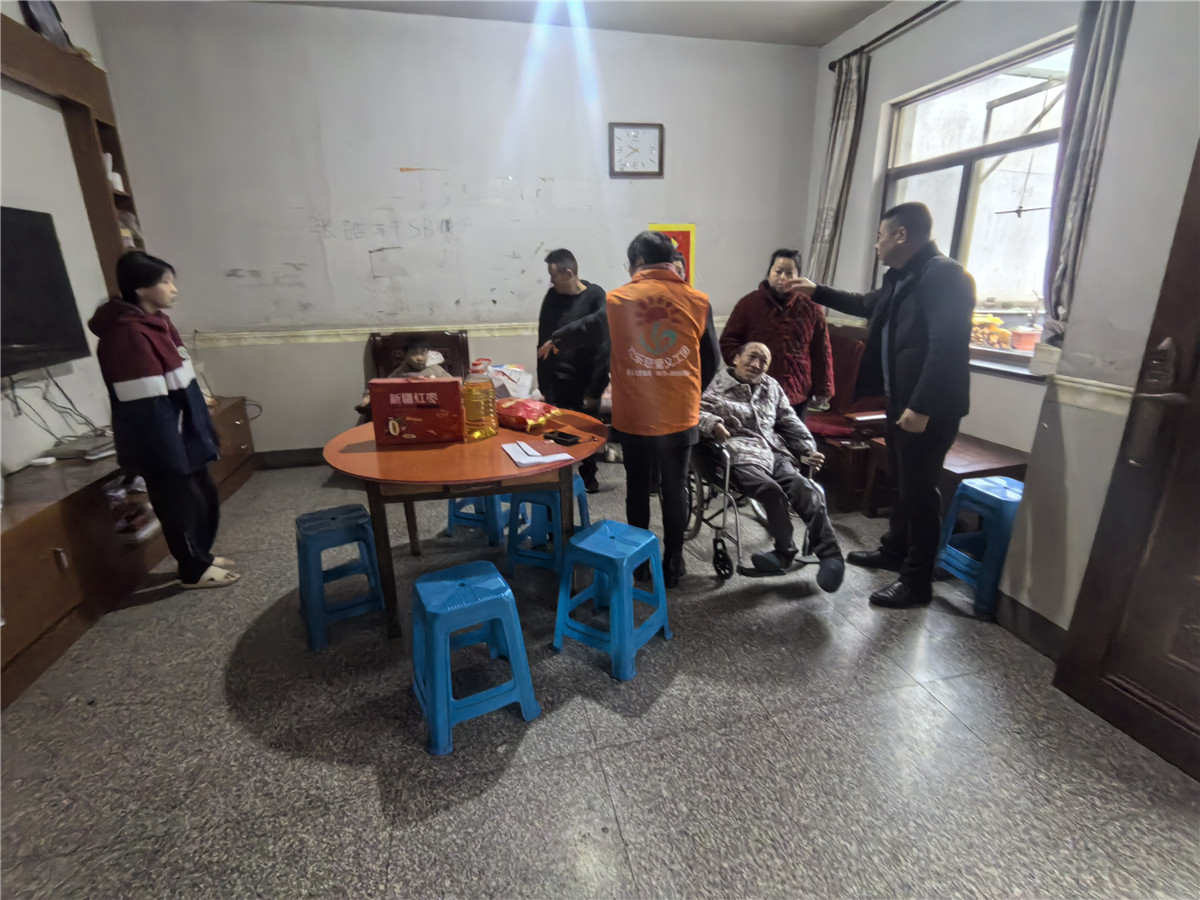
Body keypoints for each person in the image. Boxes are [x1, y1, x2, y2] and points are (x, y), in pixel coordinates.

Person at [791, 202, 974, 609]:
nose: (876, 244)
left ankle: (917, 582)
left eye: (880, 236)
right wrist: (816, 290)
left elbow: (947, 346)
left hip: (928, 408)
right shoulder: (903, 277)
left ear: (901, 235)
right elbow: (864, 303)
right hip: (900, 401)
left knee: (920, 492)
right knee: (901, 484)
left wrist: (921, 407)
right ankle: (893, 550)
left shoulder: (944, 275)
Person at [539, 231, 721, 587]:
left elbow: (589, 327)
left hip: (635, 415)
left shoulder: (619, 299)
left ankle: (639, 562)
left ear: (637, 262)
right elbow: (712, 360)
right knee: (676, 488)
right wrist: (685, 393)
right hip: (679, 416)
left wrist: (557, 339)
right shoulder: (698, 300)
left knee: (637, 487)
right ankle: (674, 562)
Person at [89, 251, 240, 589]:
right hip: (164, 441)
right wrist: (171, 452)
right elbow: (147, 406)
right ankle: (192, 570)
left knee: (201, 498)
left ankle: (200, 556)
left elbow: (181, 381)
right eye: (166, 282)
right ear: (141, 289)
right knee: (178, 504)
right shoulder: (127, 335)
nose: (174, 289)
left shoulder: (159, 324)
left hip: (185, 433)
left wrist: (202, 424)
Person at [699, 342, 845, 592]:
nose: (756, 364)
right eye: (751, 357)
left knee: (804, 488)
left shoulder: (771, 387)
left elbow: (789, 420)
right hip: (740, 454)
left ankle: (831, 555)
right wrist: (712, 423)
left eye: (763, 361)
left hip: (773, 451)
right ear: (736, 358)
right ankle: (784, 551)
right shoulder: (717, 385)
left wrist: (806, 449)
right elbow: (694, 412)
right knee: (770, 491)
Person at [720, 249, 833, 421]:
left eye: (789, 273)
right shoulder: (748, 304)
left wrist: (824, 388)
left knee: (794, 436)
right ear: (769, 272)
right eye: (778, 271)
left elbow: (822, 350)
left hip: (797, 393)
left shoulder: (811, 308)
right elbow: (729, 340)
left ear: (798, 276)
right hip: (755, 391)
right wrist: (745, 367)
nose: (782, 277)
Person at [535, 248, 609, 493]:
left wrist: (595, 389)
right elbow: (543, 341)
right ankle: (558, 479)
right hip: (558, 379)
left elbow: (604, 345)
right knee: (556, 432)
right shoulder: (552, 298)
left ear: (568, 273)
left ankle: (589, 475)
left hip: (586, 379)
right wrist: (544, 383)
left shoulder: (596, 296)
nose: (551, 281)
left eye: (554, 276)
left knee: (587, 432)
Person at [354, 339, 450, 416]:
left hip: (433, 410)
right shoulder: (400, 372)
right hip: (407, 412)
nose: (420, 358)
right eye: (414, 354)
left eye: (423, 353)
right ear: (405, 355)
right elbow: (383, 386)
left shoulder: (435, 370)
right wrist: (369, 396)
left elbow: (453, 385)